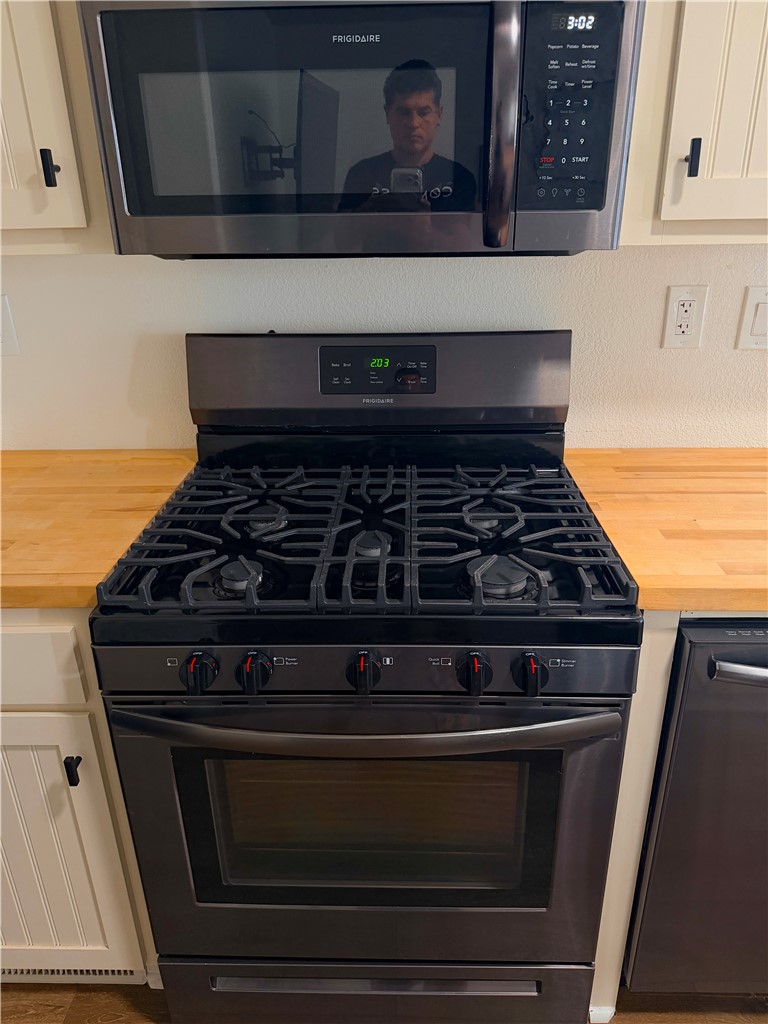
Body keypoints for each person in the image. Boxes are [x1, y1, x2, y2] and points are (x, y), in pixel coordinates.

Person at [338, 60, 476, 213]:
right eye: (403, 112)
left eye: (424, 112)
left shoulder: (460, 178)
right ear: (387, 114)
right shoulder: (362, 174)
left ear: (439, 114)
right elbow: (341, 236)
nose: (413, 123)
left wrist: (424, 228)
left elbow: (467, 236)